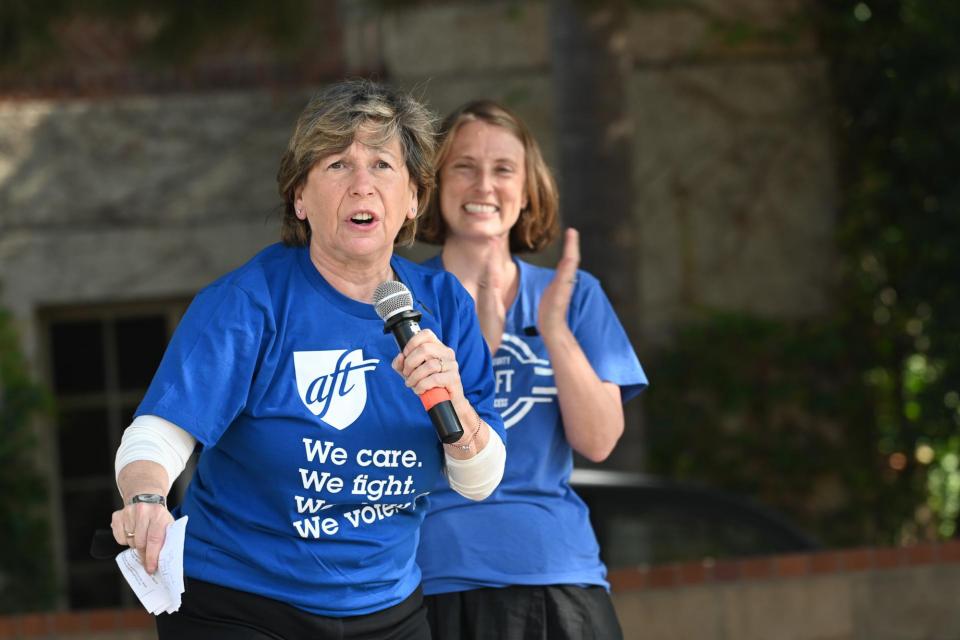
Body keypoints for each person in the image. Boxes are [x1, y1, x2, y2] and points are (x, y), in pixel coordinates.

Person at [108, 80, 507, 640]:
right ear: (300, 198)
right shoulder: (252, 300)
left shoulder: (444, 306)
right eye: (338, 165)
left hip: (387, 607)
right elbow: (161, 431)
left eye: (382, 165)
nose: (362, 184)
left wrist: (458, 412)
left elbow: (481, 481)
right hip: (241, 603)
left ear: (414, 197)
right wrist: (147, 498)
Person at [415, 100, 648, 639]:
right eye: (464, 166)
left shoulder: (573, 296)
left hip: (559, 575)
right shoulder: (400, 301)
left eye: (503, 169)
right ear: (434, 184)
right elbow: (396, 444)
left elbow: (599, 441)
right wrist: (482, 348)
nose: (484, 185)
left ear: (527, 191)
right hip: (438, 576)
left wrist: (556, 331)